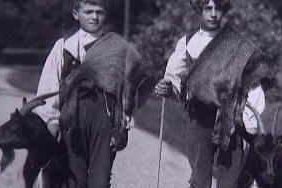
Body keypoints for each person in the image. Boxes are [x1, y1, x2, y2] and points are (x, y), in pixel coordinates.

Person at [35, 0, 152, 187]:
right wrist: (52, 120)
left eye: (99, 12)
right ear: (75, 14)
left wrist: (123, 124)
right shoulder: (64, 46)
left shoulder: (117, 47)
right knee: (74, 179)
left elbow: (128, 87)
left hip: (103, 118)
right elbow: (49, 88)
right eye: (88, 12)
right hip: (71, 119)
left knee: (101, 179)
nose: (94, 17)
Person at [155, 0, 266, 188]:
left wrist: (249, 120)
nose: (213, 14)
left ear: (225, 10)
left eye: (218, 9)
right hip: (200, 116)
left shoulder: (237, 44)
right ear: (200, 9)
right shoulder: (189, 42)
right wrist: (168, 87)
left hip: (231, 117)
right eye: (208, 8)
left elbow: (253, 84)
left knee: (231, 177)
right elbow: (174, 77)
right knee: (199, 175)